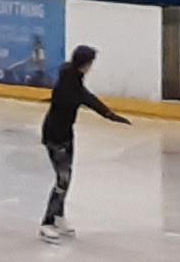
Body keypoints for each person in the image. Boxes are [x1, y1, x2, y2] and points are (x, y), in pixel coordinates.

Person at [38, 39, 130, 237]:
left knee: (66, 177)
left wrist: (108, 114)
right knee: (62, 180)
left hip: (65, 134)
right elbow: (80, 98)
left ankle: (58, 216)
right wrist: (107, 114)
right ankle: (47, 223)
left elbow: (86, 96)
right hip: (55, 136)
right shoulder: (68, 85)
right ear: (84, 64)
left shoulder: (72, 76)